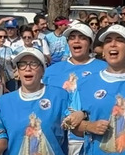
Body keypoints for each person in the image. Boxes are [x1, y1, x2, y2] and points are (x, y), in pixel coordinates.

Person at [62, 25, 125, 155]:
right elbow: (70, 124)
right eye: (108, 41)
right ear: (103, 50)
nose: (113, 44)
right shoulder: (85, 83)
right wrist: (89, 126)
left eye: (119, 40)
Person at [43, 23, 107, 155]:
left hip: (95, 138)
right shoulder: (51, 71)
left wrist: (84, 114)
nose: (76, 41)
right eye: (72, 38)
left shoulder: (104, 68)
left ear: (90, 43)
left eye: (82, 37)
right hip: (60, 139)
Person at [0, 48, 70, 155]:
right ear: (17, 71)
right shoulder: (3, 102)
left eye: (34, 64)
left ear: (43, 70)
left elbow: (75, 128)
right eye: (22, 64)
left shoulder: (60, 96)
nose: (28, 68)